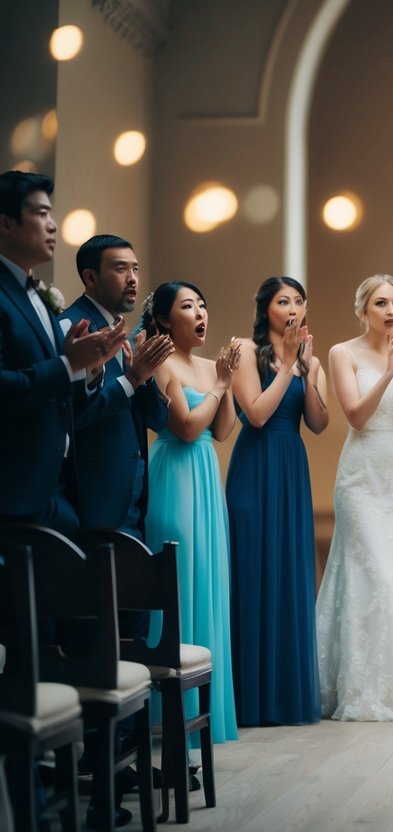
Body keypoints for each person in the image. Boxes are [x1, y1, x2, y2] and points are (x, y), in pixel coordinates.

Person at [315, 274, 393, 721]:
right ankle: (361, 690)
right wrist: (387, 375)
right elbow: (356, 417)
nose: (390, 311)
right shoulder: (342, 353)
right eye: (381, 303)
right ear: (363, 309)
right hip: (361, 478)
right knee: (373, 577)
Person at [143, 281, 241, 746]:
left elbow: (221, 432)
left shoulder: (207, 365)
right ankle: (167, 719)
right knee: (180, 581)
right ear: (164, 319)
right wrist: (220, 386)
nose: (200, 313)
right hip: (176, 477)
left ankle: (204, 716)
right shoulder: (161, 361)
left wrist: (228, 383)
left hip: (207, 474)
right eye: (188, 306)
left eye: (203, 304)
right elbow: (183, 428)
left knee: (207, 579)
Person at [228, 276, 329, 726]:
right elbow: (256, 413)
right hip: (255, 464)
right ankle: (249, 698)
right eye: (282, 300)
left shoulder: (311, 358)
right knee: (253, 570)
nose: (292, 307)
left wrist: (307, 369)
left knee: (288, 574)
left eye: (299, 301)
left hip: (291, 466)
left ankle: (285, 697)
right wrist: (286, 364)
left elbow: (319, 422)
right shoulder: (246, 351)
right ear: (264, 307)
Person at [0, 171, 123, 531]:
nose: (53, 226)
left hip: (57, 488)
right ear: (6, 223)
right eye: (41, 214)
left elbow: (65, 396)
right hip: (13, 487)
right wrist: (68, 364)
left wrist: (90, 370)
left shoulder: (39, 296)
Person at [61, 235, 173, 540]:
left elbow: (157, 420)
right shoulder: (72, 329)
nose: (133, 279)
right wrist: (131, 379)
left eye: (135, 270)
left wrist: (145, 376)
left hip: (134, 499)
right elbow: (75, 417)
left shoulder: (126, 335)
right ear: (91, 277)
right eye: (121, 269)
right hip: (91, 499)